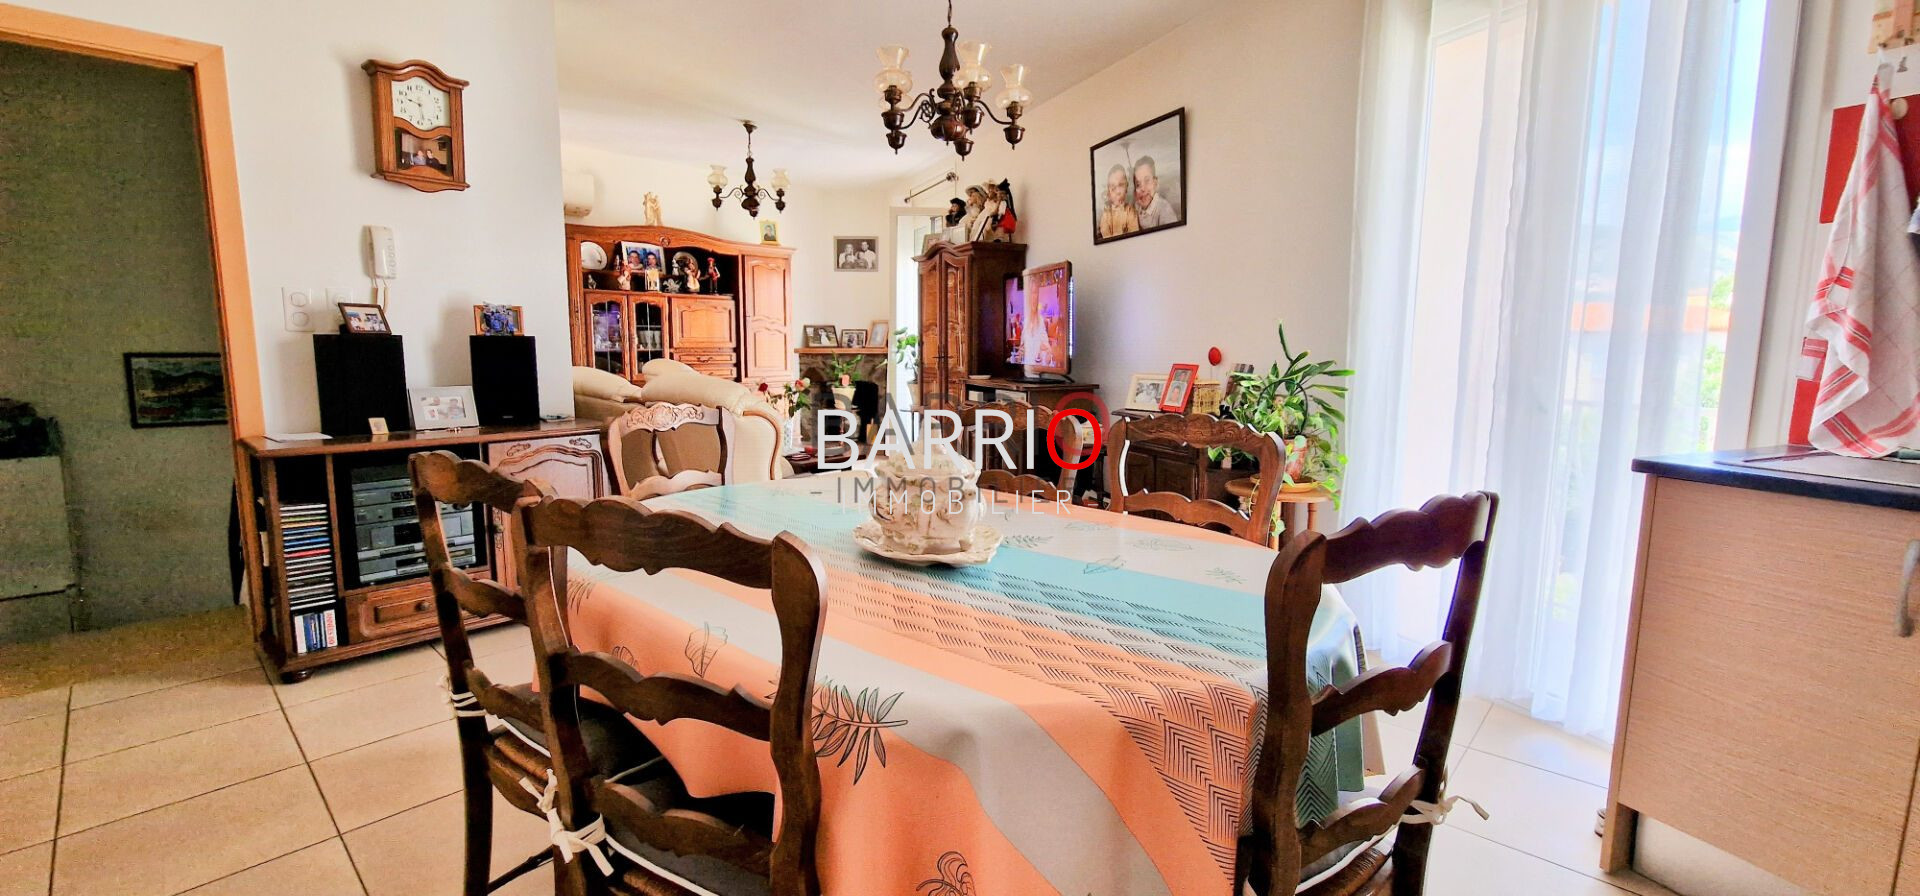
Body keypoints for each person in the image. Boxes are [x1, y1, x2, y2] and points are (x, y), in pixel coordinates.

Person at [1133, 156, 1179, 229]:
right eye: (1138, 184)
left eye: (1147, 181)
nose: (1143, 188)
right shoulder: (1137, 207)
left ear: (1155, 183)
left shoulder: (1165, 210)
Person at [1098, 163, 1140, 239]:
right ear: (1109, 193)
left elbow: (1134, 234)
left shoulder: (1130, 212)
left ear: (1126, 187)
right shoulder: (1106, 215)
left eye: (1121, 185)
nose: (1118, 192)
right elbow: (1106, 236)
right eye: (1113, 188)